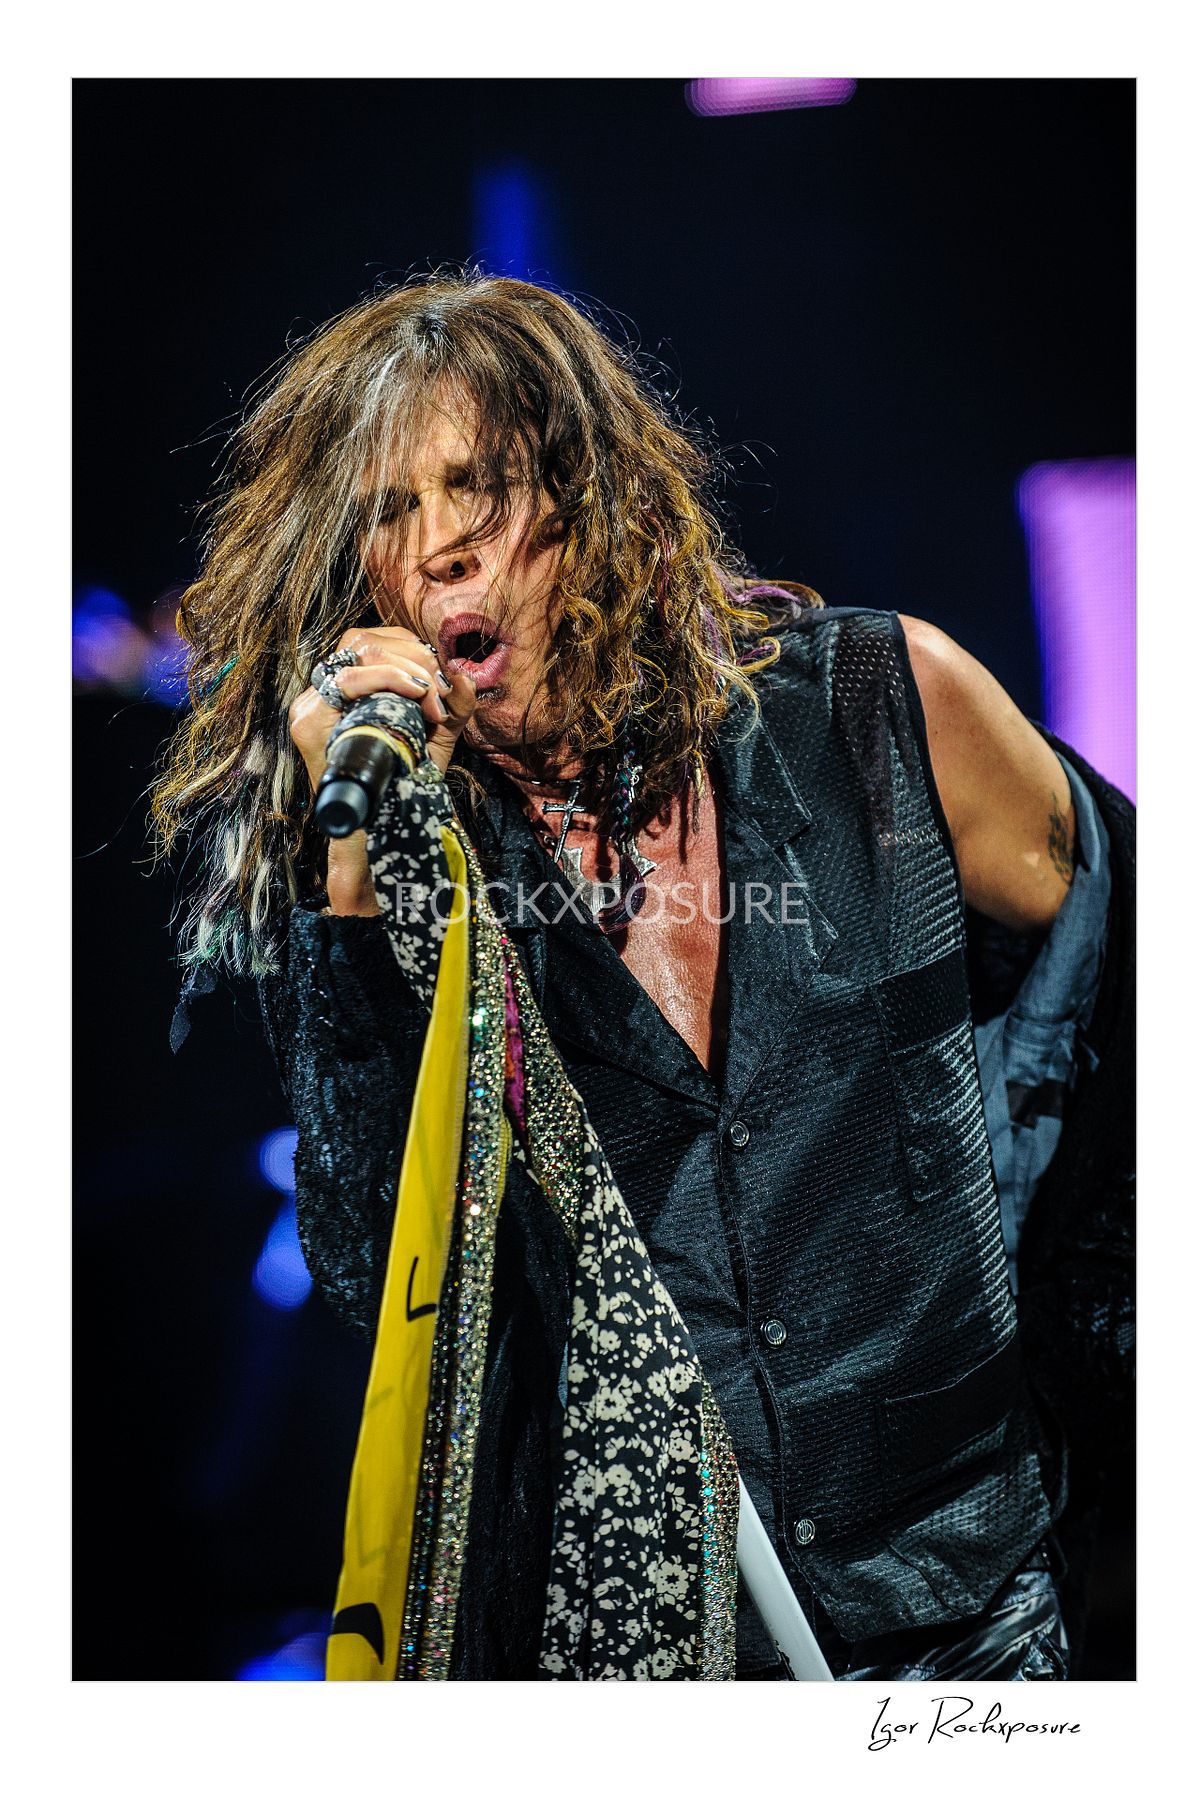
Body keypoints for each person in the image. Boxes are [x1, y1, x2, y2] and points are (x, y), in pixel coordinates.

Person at [154, 273, 1134, 1681]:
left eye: (476, 488)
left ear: (594, 503)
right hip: (662, 1662)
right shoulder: (406, 870)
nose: (437, 551)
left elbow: (1134, 974)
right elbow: (389, 1291)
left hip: (971, 1620)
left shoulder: (881, 712)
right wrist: (356, 902)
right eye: (386, 511)